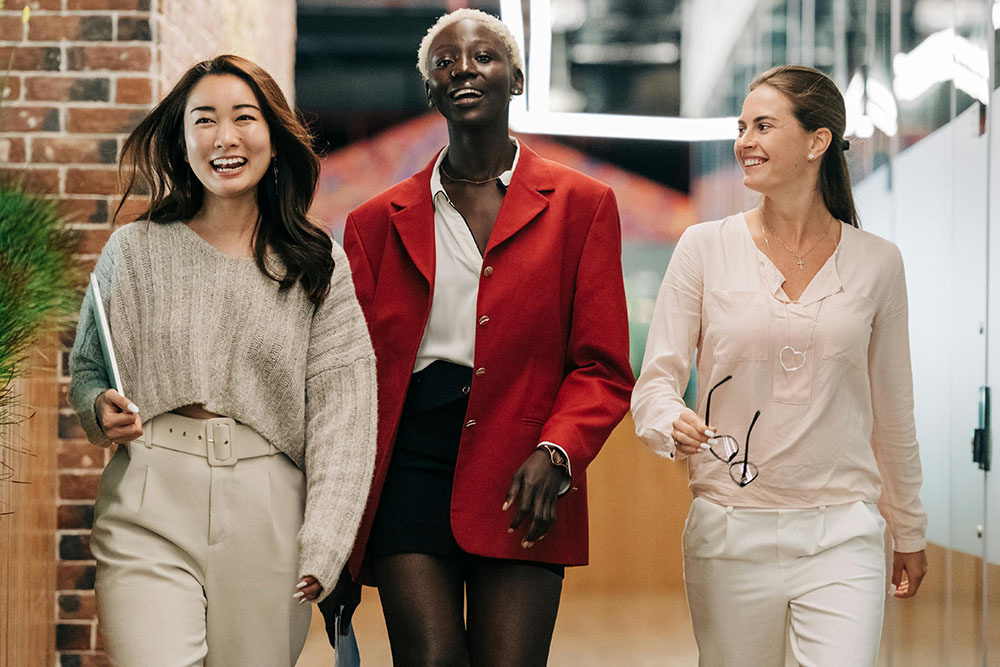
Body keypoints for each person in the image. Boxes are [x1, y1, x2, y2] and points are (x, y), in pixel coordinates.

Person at [319, 8, 633, 665]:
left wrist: (558, 453)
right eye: (445, 61)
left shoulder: (584, 205)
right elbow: (350, 380)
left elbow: (602, 366)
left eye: (484, 57)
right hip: (409, 464)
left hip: (527, 470)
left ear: (517, 79)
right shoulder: (374, 223)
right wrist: (335, 529)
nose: (464, 68)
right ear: (430, 90)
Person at [67, 55, 377, 667]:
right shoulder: (135, 250)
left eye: (244, 118)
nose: (225, 137)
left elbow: (346, 417)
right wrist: (97, 408)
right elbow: (88, 369)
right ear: (182, 142)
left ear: (273, 135)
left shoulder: (317, 264)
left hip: (269, 514)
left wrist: (327, 540)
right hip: (148, 494)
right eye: (204, 120)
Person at [631, 65, 928, 666]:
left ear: (817, 141)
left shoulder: (879, 263)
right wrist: (670, 421)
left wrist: (909, 527)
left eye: (764, 126)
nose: (745, 142)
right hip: (729, 531)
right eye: (742, 127)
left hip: (842, 532)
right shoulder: (702, 248)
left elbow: (893, 410)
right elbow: (655, 384)